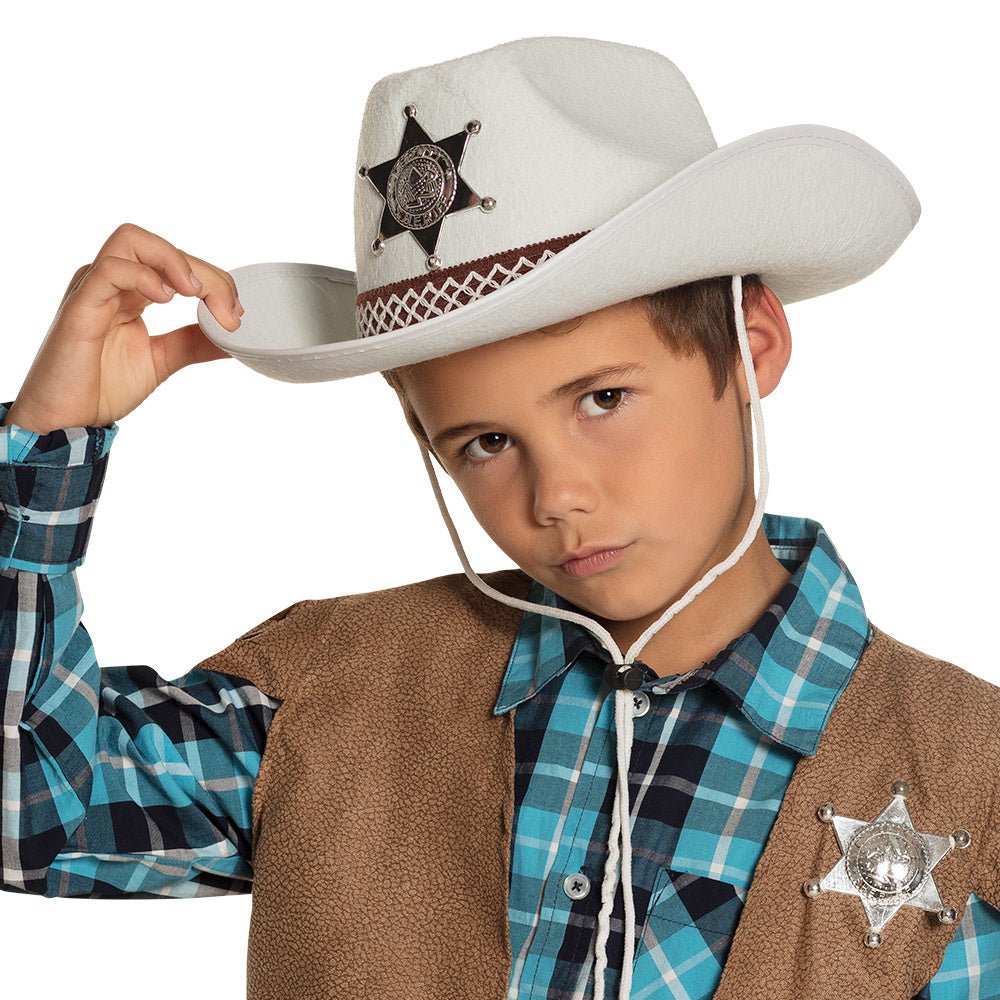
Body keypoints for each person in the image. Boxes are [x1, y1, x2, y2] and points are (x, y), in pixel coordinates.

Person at [2, 35, 998, 1000]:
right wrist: (46, 451)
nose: (555, 496)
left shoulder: (969, 778)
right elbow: (29, 817)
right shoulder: (333, 696)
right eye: (484, 442)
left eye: (603, 398)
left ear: (750, 346)